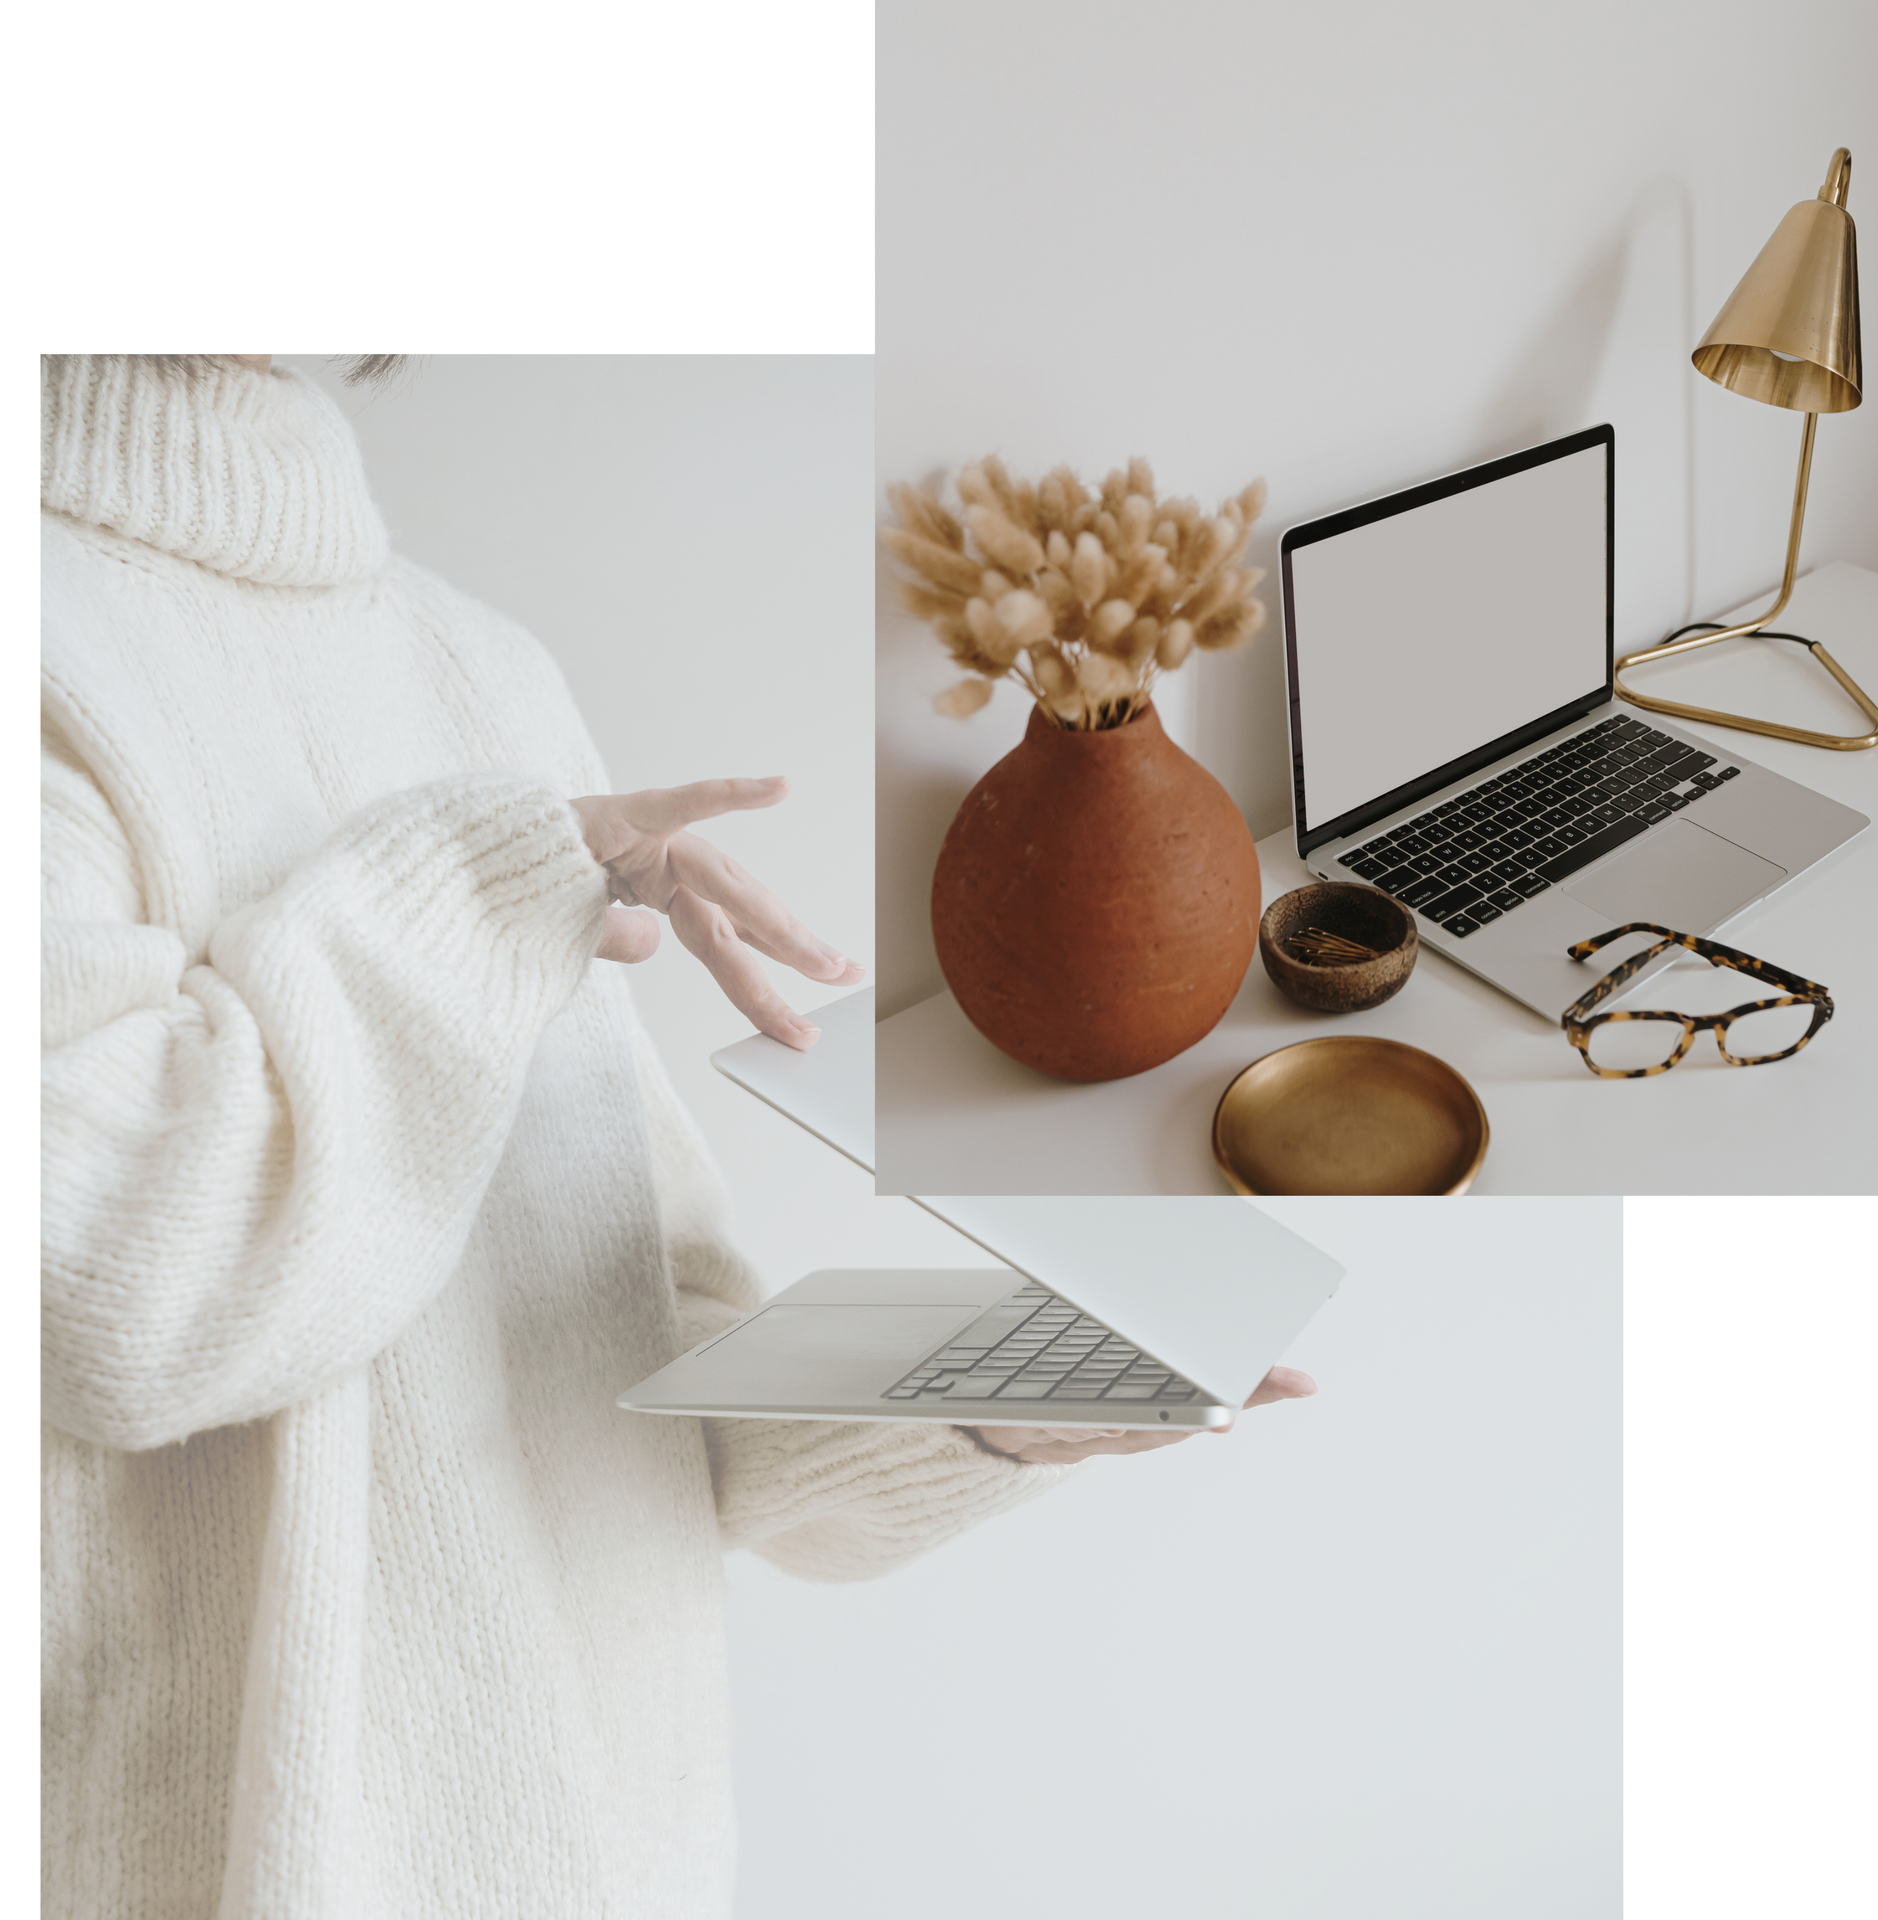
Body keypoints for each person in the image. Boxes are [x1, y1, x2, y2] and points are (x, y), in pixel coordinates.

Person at [35, 351, 1316, 1918]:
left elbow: (636, 1368)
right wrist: (483, 884)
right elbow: (121, 1294)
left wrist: (991, 1398)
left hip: (617, 1855)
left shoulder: (486, 670)